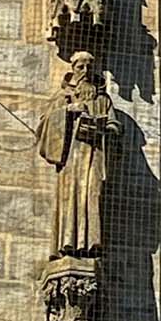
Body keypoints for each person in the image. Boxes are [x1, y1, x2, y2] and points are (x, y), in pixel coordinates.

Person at [37, 52, 117, 256]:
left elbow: (114, 125)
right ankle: (68, 243)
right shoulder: (62, 97)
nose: (86, 71)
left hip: (95, 154)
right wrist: (68, 110)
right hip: (70, 158)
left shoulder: (102, 99)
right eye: (80, 67)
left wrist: (104, 129)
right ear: (73, 69)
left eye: (89, 67)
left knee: (93, 193)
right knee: (70, 196)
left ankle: (91, 242)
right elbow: (44, 124)